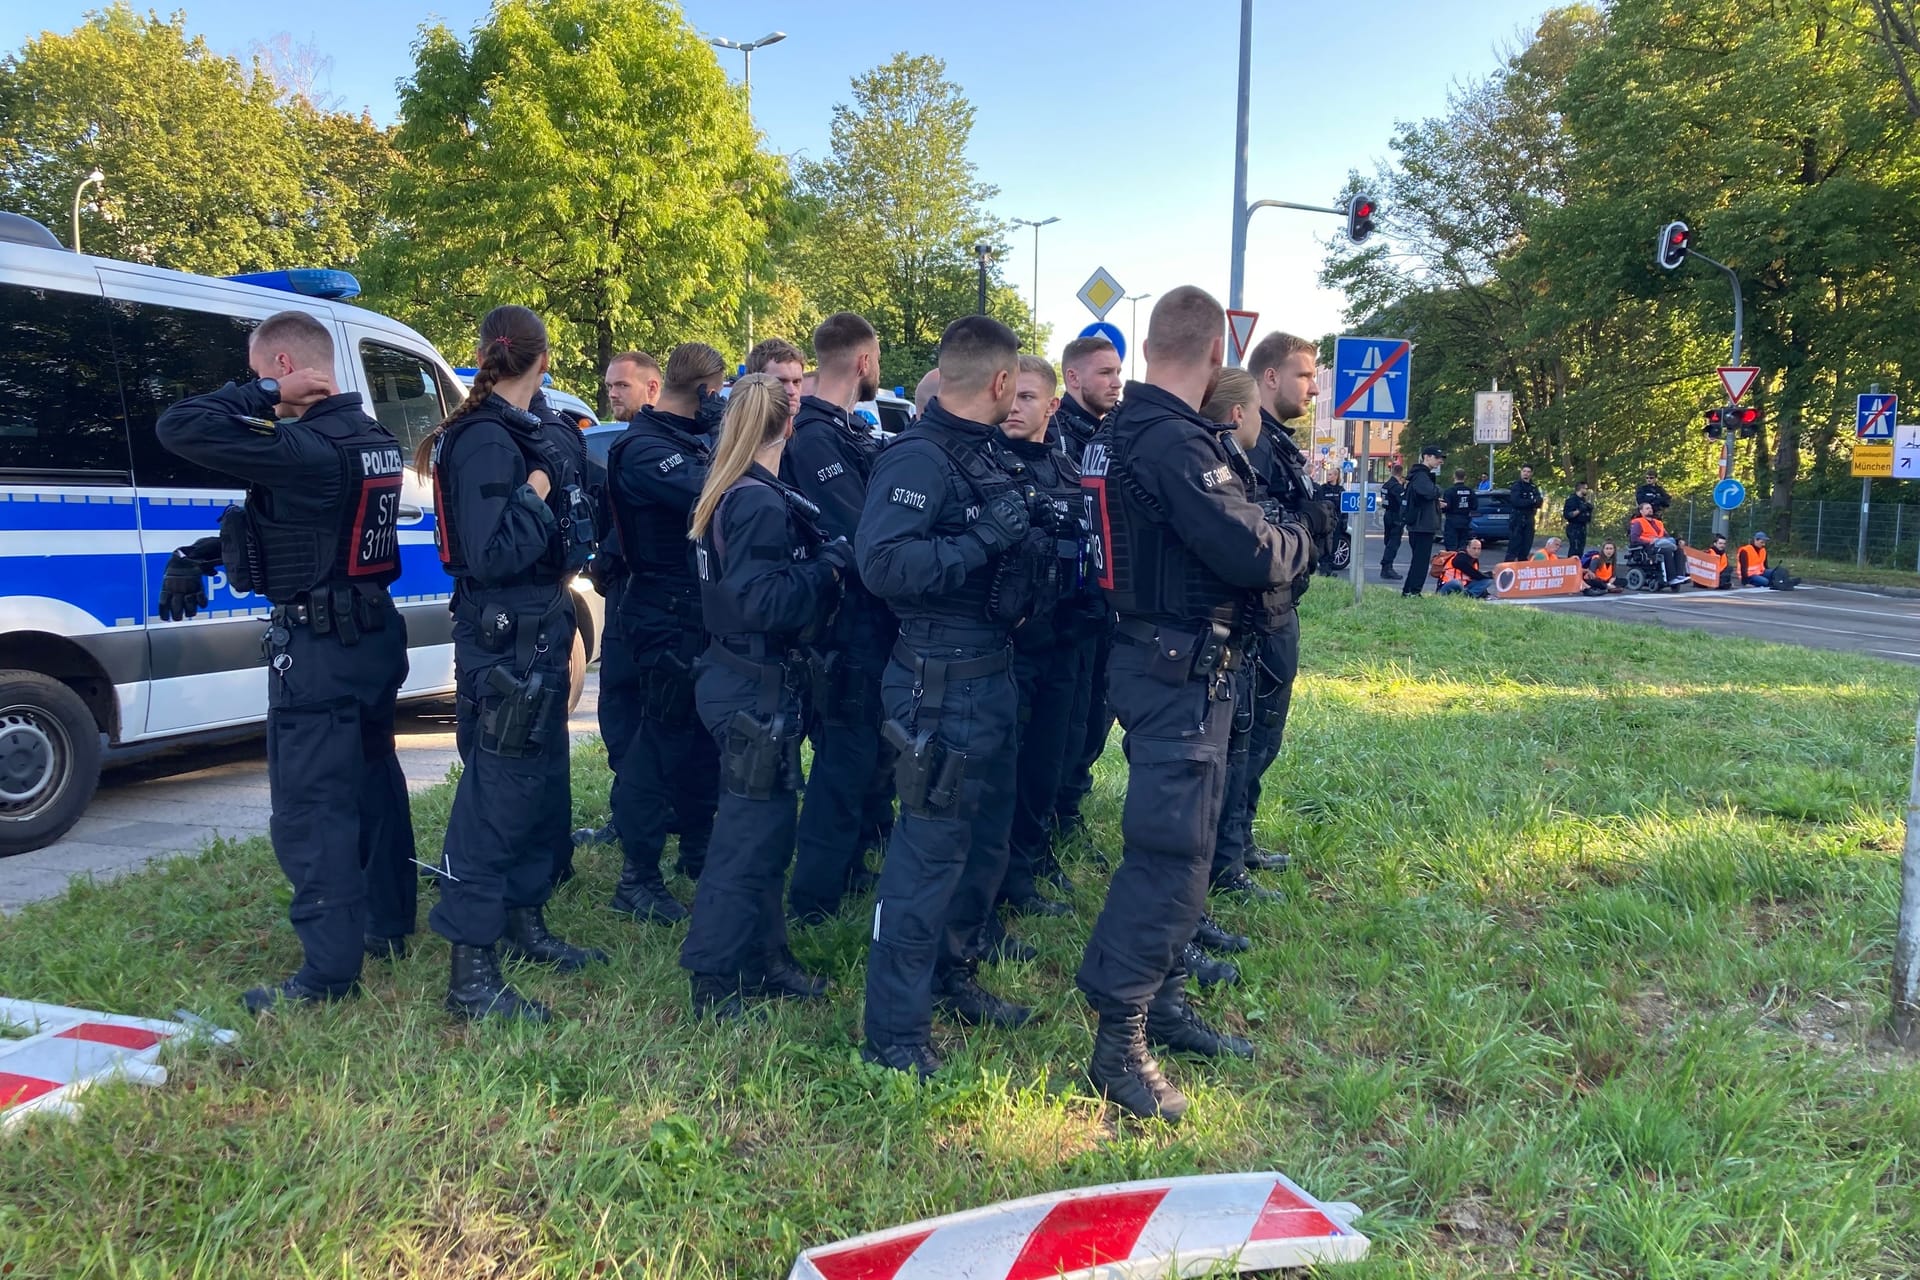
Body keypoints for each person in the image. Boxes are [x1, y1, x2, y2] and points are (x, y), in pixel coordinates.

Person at [1077, 286, 1315, 1122]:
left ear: (1148, 346)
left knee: (1188, 839)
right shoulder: (1172, 443)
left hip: (1165, 659)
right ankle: (1122, 1041)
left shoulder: (1118, 432)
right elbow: (1254, 548)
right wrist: (1297, 537)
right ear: (1218, 354)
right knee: (1171, 856)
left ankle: (1168, 1003)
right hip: (1176, 666)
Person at [154, 310, 416, 1013]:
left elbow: (179, 426)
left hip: (320, 648)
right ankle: (388, 924)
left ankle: (327, 974)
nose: (253, 383)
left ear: (281, 368)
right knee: (374, 783)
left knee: (311, 805)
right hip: (371, 634)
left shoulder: (306, 446)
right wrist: (202, 556)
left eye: (257, 371)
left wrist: (265, 397)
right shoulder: (372, 439)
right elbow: (305, 529)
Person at [855, 315, 1046, 1077]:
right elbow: (883, 564)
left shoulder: (986, 456)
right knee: (928, 853)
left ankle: (952, 975)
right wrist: (983, 541)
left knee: (982, 842)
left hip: (991, 671)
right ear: (1001, 383)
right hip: (938, 680)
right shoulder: (922, 457)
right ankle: (894, 1035)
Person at [416, 306, 604, 1022]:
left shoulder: (528, 426)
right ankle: (471, 971)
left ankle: (527, 922)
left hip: (542, 622)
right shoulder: (485, 441)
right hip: (505, 631)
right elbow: (492, 551)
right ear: (543, 356)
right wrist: (534, 494)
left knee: (539, 784)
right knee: (497, 795)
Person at [679, 374, 852, 1018]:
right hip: (750, 682)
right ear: (789, 423)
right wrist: (827, 569)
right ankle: (714, 975)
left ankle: (766, 957)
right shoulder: (755, 501)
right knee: (747, 836)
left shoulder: (737, 487)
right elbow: (761, 601)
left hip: (746, 680)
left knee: (768, 826)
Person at [603, 343, 729, 925]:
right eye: (719, 393)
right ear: (703, 390)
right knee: (654, 747)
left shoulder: (691, 440)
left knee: (701, 741)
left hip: (697, 612)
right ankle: (638, 877)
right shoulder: (645, 447)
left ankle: (700, 852)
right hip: (658, 614)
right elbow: (711, 497)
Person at [782, 312, 899, 924]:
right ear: (862, 361)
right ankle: (815, 898)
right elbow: (861, 532)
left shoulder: (850, 431)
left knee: (865, 755)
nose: (876, 370)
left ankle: (850, 865)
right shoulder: (817, 437)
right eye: (876, 359)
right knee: (843, 758)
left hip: (867, 624)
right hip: (841, 623)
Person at [1226, 330, 1333, 892]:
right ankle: (1227, 857)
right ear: (1270, 377)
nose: (1313, 389)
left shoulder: (1278, 442)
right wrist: (1306, 526)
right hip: (1259, 612)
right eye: (1305, 376)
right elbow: (1257, 531)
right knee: (1248, 734)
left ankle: (1239, 839)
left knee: (1264, 733)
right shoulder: (1250, 441)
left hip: (1282, 604)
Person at [994, 355, 1089, 922]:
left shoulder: (1071, 469)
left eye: (1028, 397)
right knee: (1001, 768)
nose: (1014, 407)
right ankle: (995, 877)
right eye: (1010, 395)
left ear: (1052, 405)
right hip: (1005, 645)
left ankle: (1025, 867)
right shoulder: (984, 463)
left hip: (1064, 641)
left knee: (1046, 763)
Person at [574, 349, 663, 852]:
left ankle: (638, 824)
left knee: (634, 715)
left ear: (652, 388)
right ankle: (630, 814)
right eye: (609, 384)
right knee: (620, 716)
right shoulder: (624, 446)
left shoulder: (650, 448)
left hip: (644, 602)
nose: (611, 393)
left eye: (621, 385)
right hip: (624, 598)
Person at [1050, 334, 1126, 850]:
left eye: (1118, 372)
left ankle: (1069, 803)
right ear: (1073, 378)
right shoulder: (1056, 437)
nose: (1116, 382)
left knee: (1099, 713)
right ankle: (1057, 811)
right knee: (1071, 721)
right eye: (1105, 373)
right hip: (1067, 610)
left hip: (1107, 607)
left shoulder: (1114, 435)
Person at [1400, 446, 1445, 597]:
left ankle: (1410, 590)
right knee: (1421, 561)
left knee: (1419, 560)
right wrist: (1437, 491)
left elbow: (1425, 496)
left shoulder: (1420, 475)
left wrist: (1435, 501)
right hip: (1421, 525)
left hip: (1421, 524)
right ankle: (1413, 591)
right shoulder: (1420, 476)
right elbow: (1429, 491)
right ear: (1426, 457)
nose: (1440, 461)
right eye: (1437, 457)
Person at [745, 338, 807, 422]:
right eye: (780, 382)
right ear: (755, 382)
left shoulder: (808, 430)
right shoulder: (736, 431)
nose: (792, 391)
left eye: (796, 382)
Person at [1629, 501, 1687, 587]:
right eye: (1647, 508)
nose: (1650, 510)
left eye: (1651, 508)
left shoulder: (1658, 523)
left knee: (1679, 550)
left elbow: (1667, 536)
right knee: (1666, 551)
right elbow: (1634, 538)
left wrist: (1678, 541)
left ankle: (1679, 575)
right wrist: (1648, 541)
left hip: (1661, 543)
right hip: (1648, 547)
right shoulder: (1638, 523)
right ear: (1641, 511)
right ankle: (1671, 578)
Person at [1508, 464, 1543, 563]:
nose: (1526, 474)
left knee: (1526, 547)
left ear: (1531, 473)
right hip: (1517, 519)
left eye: (1528, 472)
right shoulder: (1516, 486)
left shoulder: (1533, 487)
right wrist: (1531, 502)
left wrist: (1530, 502)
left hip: (1529, 518)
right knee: (1513, 548)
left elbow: (1539, 502)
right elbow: (1516, 502)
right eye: (1524, 471)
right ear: (1521, 472)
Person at [1379, 462, 1407, 579]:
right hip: (1395, 516)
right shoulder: (1396, 487)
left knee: (1388, 541)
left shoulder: (1385, 485)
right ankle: (1387, 567)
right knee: (1393, 543)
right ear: (1401, 474)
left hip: (1387, 515)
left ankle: (1386, 568)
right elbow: (1403, 502)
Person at [1441, 469, 1477, 551]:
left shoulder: (1449, 491)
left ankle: (1451, 563)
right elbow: (1475, 506)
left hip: (1452, 521)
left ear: (1454, 476)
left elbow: (1446, 506)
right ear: (1465, 477)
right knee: (1462, 547)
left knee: (1451, 547)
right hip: (1465, 521)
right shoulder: (1470, 491)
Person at [1562, 482, 1594, 559]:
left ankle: (1578, 566)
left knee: (1580, 550)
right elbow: (1568, 515)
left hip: (1582, 527)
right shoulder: (1572, 500)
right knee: (1574, 550)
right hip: (1574, 527)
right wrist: (1579, 510)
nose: (1586, 490)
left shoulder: (1583, 500)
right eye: (1585, 489)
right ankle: (1571, 567)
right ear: (1581, 489)